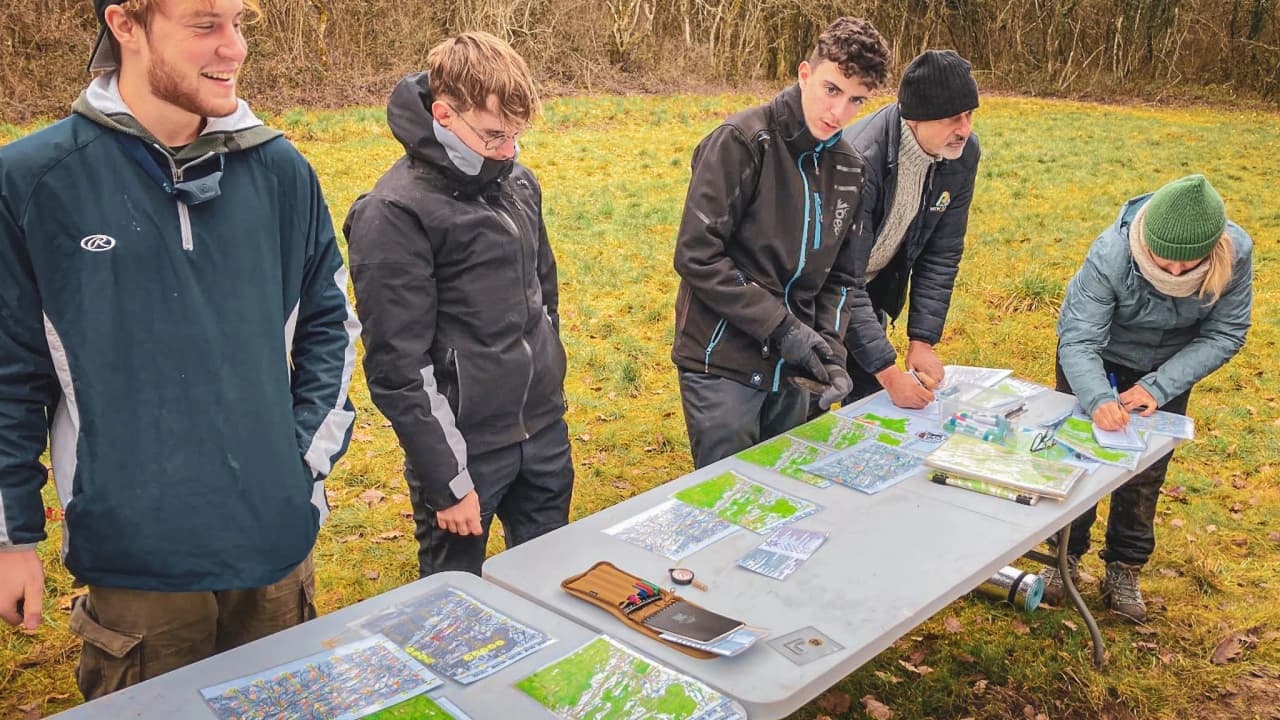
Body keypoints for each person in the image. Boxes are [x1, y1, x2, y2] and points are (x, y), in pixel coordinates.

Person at [0, 0, 359, 698]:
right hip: (138, 566)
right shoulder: (31, 179)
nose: (234, 48)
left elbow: (331, 328)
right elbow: (9, 374)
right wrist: (14, 538)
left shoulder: (283, 170)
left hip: (274, 547)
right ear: (125, 26)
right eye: (205, 25)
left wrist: (299, 470)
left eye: (240, 22)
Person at [345, 32, 573, 578]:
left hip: (543, 437)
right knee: (452, 609)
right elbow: (398, 370)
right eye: (494, 134)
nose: (509, 149)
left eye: (517, 134)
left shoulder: (519, 182)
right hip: (462, 453)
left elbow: (544, 295)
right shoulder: (394, 213)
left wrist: (548, 394)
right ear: (444, 114)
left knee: (551, 589)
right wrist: (448, 480)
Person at [671, 17, 891, 468]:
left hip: (795, 372)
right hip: (722, 362)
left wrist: (830, 353)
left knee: (786, 497)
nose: (840, 113)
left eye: (856, 101)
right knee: (726, 501)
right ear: (805, 74)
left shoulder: (851, 170)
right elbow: (697, 254)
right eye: (832, 90)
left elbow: (843, 279)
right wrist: (783, 328)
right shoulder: (742, 142)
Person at [1044, 174, 1252, 622]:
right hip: (1099, 359)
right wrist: (1098, 396)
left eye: (1189, 263)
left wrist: (1159, 387)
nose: (1175, 272)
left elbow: (1226, 332)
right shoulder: (1111, 254)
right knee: (1078, 457)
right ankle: (1066, 558)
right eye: (1165, 261)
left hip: (1170, 368)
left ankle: (1125, 566)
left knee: (1144, 471)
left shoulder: (1236, 254)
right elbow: (1078, 340)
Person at [838, 50, 981, 410]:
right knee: (810, 412)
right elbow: (841, 278)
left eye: (969, 115)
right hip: (814, 293)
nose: (965, 129)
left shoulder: (961, 154)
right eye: (953, 118)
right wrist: (890, 374)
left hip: (874, 286)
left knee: (868, 408)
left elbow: (941, 252)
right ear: (915, 118)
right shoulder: (858, 160)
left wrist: (922, 341)